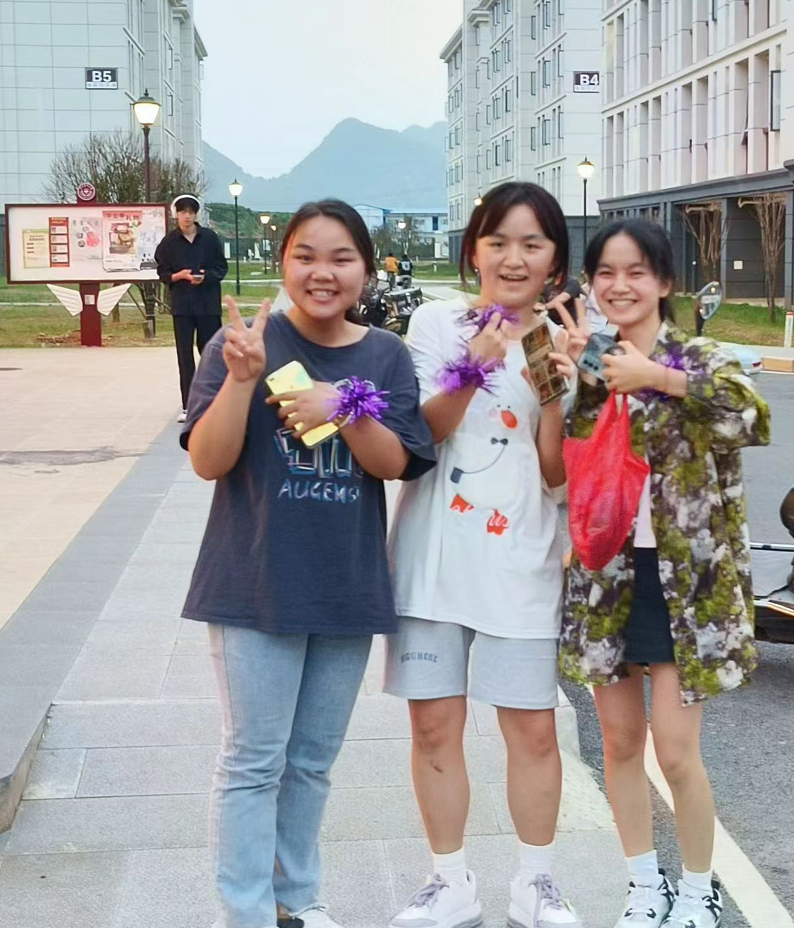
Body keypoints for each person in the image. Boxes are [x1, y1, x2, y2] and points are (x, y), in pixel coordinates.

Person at [181, 199, 436, 928]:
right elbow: (208, 461)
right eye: (306, 256)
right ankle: (247, 913)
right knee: (254, 760)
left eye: (341, 258)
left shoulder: (385, 355)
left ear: (367, 268)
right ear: (283, 261)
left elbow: (396, 464)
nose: (323, 272)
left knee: (312, 762)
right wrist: (242, 379)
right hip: (253, 580)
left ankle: (297, 899)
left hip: (345, 585)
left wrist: (345, 407)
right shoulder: (242, 342)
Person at [553, 218, 770, 928]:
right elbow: (565, 462)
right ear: (591, 284)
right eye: (605, 273)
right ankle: (644, 885)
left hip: (689, 585)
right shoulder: (591, 358)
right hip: (608, 578)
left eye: (636, 271)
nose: (619, 285)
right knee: (620, 743)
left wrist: (657, 378)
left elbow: (751, 417)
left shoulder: (702, 356)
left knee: (675, 751)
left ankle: (700, 889)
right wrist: (575, 383)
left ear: (665, 282)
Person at [386, 181, 581, 928]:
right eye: (498, 241)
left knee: (532, 729)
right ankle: (449, 882)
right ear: (474, 250)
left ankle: (537, 884)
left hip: (521, 564)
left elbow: (557, 477)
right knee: (433, 729)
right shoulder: (437, 322)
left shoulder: (563, 341)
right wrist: (473, 364)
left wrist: (556, 395)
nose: (513, 258)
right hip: (432, 561)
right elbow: (419, 435)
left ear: (554, 258)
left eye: (532, 243)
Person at [155, 195, 228, 421]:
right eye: (182, 212)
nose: (187, 216)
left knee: (211, 353)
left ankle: (215, 401)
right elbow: (163, 272)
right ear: (176, 214)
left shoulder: (210, 238)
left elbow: (221, 268)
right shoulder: (169, 242)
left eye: (190, 212)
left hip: (208, 305)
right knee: (184, 356)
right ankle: (188, 405)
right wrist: (179, 276)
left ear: (196, 214)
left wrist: (206, 276)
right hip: (183, 306)